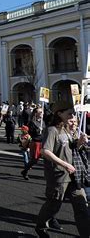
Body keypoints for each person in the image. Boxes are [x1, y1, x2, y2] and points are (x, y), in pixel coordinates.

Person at [35, 101, 89, 238]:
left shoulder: (69, 130)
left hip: (74, 175)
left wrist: (79, 142)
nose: (73, 115)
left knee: (82, 207)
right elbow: (45, 151)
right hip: (59, 176)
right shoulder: (52, 130)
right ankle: (41, 226)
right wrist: (65, 165)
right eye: (69, 113)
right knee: (53, 205)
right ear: (60, 113)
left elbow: (72, 149)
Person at [21, 106, 45, 180]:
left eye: (42, 111)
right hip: (36, 142)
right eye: (40, 112)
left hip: (43, 142)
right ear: (36, 113)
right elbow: (30, 133)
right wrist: (38, 131)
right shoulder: (32, 122)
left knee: (48, 159)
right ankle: (25, 171)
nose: (42, 113)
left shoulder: (42, 121)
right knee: (35, 159)